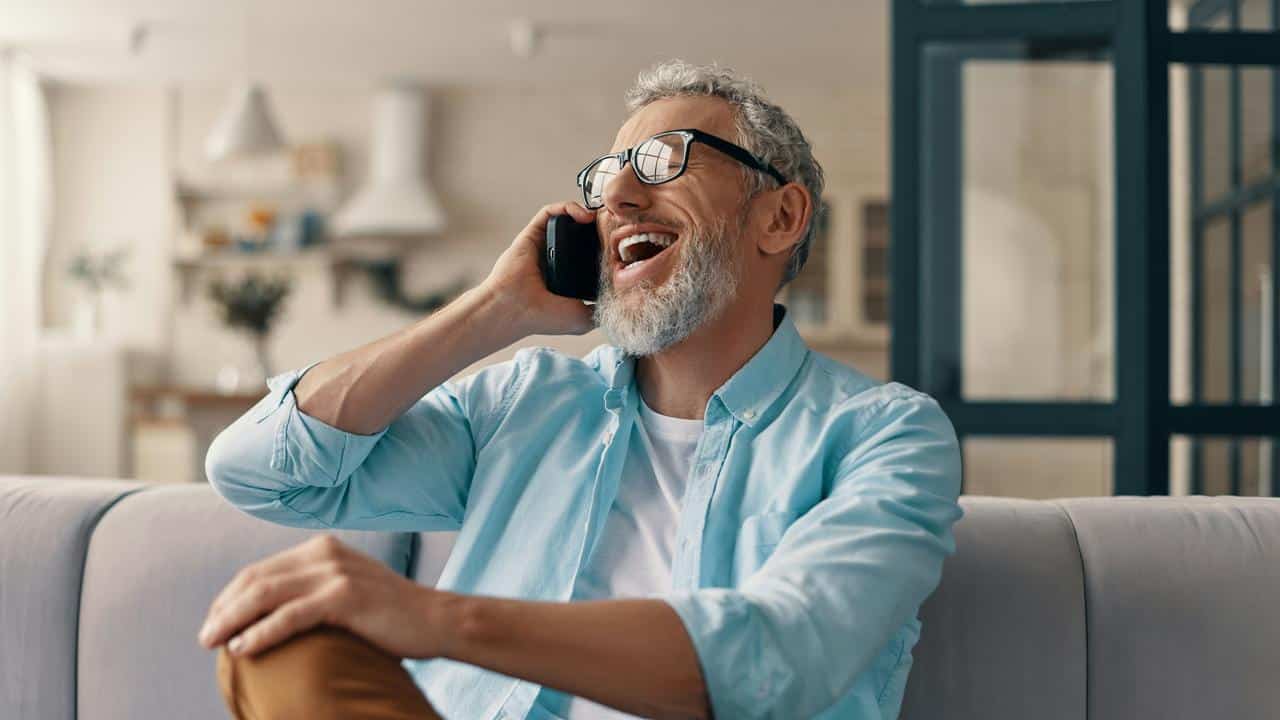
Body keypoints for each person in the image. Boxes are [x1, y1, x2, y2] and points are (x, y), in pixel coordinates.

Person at [198, 59, 963, 720]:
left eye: (664, 160)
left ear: (781, 216)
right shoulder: (525, 404)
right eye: (603, 180)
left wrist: (437, 621)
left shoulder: (884, 434)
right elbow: (258, 470)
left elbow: (782, 655)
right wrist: (494, 311)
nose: (618, 198)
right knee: (281, 642)